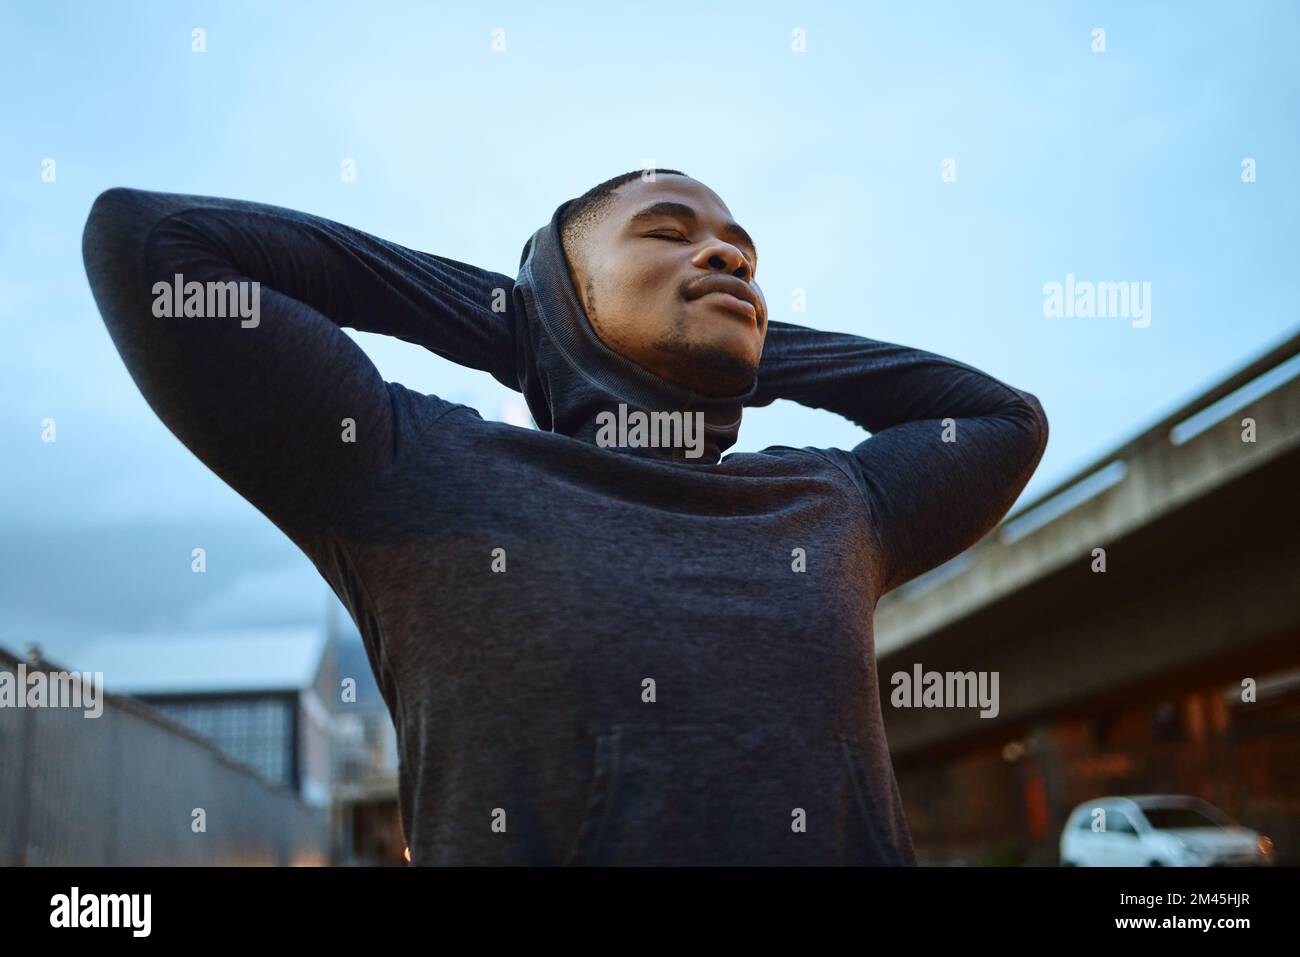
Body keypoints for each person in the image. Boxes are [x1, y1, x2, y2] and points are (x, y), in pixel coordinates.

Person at [81, 169, 1048, 865]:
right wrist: (519, 318)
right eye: (668, 234)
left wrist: (737, 337)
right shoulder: (414, 465)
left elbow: (1006, 419)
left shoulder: (835, 503)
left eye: (745, 257)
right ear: (558, 289)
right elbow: (151, 245)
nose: (726, 254)